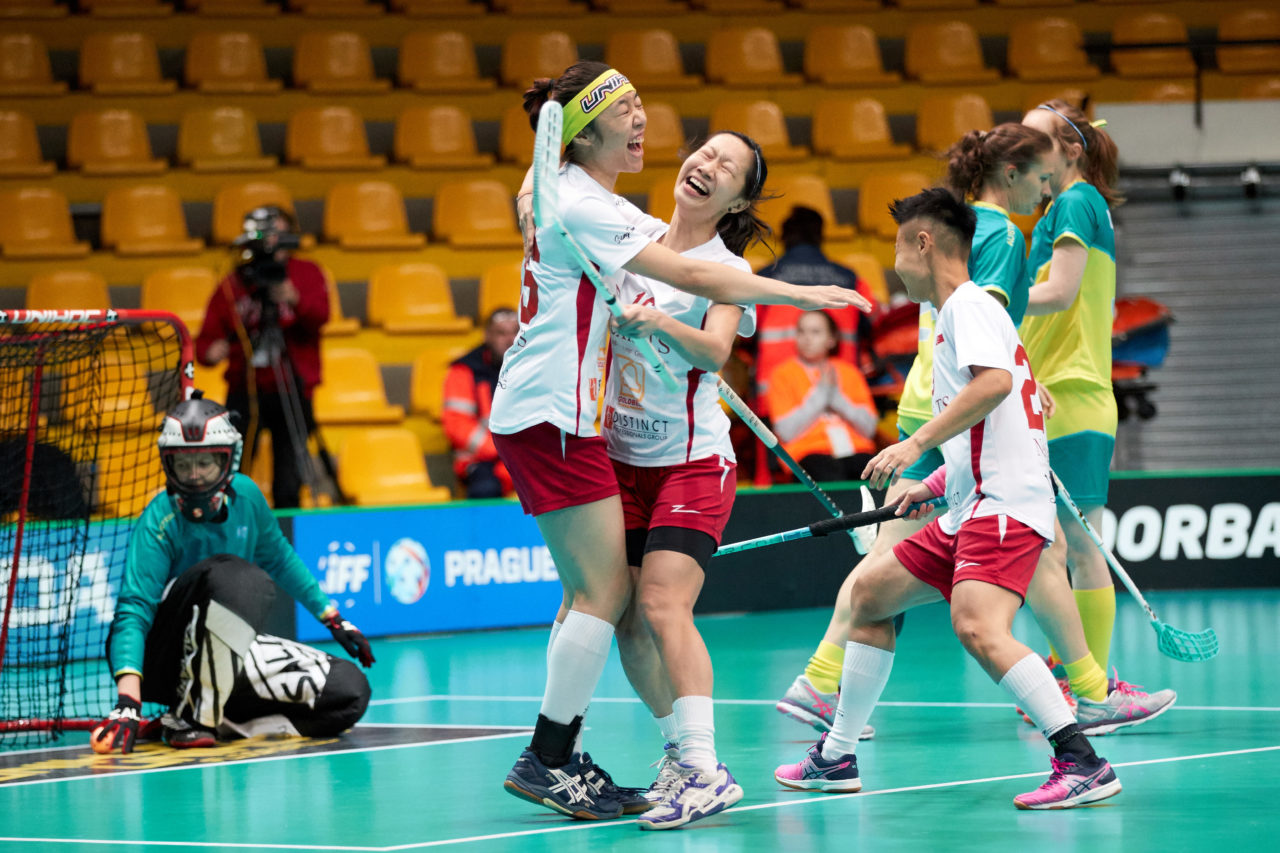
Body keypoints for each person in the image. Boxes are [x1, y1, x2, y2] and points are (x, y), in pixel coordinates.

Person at [492, 61, 871, 822]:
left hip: (678, 456)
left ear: (738, 202)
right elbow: (628, 246)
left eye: (728, 167)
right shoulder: (608, 217)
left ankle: (666, 761)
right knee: (608, 601)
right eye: (627, 109)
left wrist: (684, 318)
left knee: (641, 603)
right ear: (587, 132)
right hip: (575, 424)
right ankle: (567, 755)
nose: (647, 122)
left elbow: (713, 326)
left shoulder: (629, 222)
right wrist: (798, 291)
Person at [775, 124, 1174, 737]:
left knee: (933, 560)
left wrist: (1013, 376)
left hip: (935, 408)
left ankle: (822, 683)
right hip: (952, 414)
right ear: (1009, 174)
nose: (1045, 192)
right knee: (1024, 553)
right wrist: (1011, 379)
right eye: (1039, 179)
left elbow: (983, 335)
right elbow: (984, 336)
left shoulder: (971, 230)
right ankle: (1088, 695)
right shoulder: (1001, 235)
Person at [600, 131, 772, 829]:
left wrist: (658, 319)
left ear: (738, 200)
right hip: (620, 460)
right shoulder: (631, 239)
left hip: (693, 460)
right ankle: (680, 753)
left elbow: (716, 349)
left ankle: (705, 767)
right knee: (627, 621)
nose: (707, 165)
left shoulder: (726, 268)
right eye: (706, 152)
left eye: (727, 167)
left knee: (664, 604)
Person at [92, 392, 374, 754]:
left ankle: (216, 721)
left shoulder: (248, 497)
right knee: (240, 578)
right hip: (165, 660)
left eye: (205, 463)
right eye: (184, 464)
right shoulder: (159, 520)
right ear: (168, 463)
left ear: (229, 460)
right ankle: (192, 718)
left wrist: (332, 618)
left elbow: (281, 558)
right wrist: (129, 701)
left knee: (349, 692)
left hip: (226, 648)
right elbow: (133, 612)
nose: (195, 475)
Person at [1020, 100, 1174, 713]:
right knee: (1054, 548)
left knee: (1082, 549)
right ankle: (1072, 680)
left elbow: (1059, 294)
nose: (1019, 151)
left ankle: (1092, 692)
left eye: (1033, 140)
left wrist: (984, 296)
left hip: (1073, 394)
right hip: (1046, 393)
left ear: (1069, 150)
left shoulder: (1077, 201)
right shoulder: (1060, 208)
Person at [196, 206, 328, 509]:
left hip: (292, 388)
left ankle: (287, 530)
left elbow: (321, 317)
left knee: (289, 480)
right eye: (264, 234)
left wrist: (293, 298)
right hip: (246, 389)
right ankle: (231, 527)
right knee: (232, 473)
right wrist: (212, 351)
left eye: (277, 233)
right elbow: (205, 344)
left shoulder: (306, 273)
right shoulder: (234, 283)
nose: (271, 241)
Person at [754, 206, 877, 395]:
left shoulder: (762, 279)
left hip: (777, 398)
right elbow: (873, 327)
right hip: (840, 395)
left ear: (784, 237)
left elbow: (744, 334)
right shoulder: (852, 279)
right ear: (820, 237)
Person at [762, 310, 879, 482]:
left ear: (831, 339)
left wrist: (837, 398)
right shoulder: (782, 374)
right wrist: (821, 394)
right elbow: (786, 432)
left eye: (815, 332)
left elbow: (869, 429)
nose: (807, 338)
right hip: (808, 453)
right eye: (801, 331)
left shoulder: (849, 372)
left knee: (876, 473)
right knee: (827, 473)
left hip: (856, 450)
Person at [442, 308, 520, 498]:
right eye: (501, 333)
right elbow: (457, 425)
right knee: (485, 489)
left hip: (523, 457)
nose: (510, 340)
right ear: (487, 336)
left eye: (515, 332)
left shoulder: (532, 368)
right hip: (482, 460)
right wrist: (501, 450)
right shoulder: (465, 370)